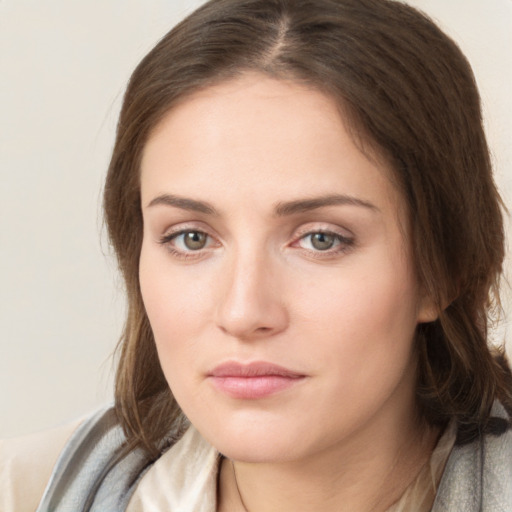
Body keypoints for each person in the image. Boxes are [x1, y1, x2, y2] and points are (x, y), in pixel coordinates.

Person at [2, 0, 511, 510]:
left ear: (443, 268)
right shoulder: (23, 492)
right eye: (191, 238)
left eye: (321, 238)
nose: (244, 312)